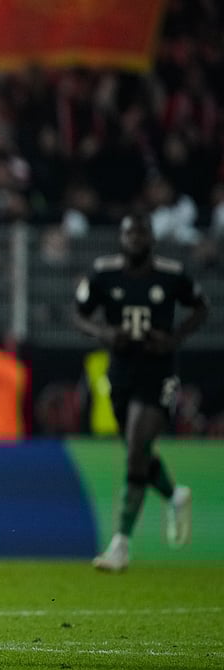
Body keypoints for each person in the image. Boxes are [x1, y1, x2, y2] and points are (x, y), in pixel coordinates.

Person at [73, 212, 209, 572]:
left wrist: (174, 339)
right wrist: (103, 333)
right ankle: (173, 494)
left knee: (136, 447)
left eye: (142, 232)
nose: (136, 238)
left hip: (158, 372)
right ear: (121, 237)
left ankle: (121, 543)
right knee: (137, 450)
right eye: (130, 232)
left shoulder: (171, 274)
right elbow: (79, 313)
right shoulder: (104, 273)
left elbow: (201, 307)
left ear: (152, 237)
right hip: (120, 371)